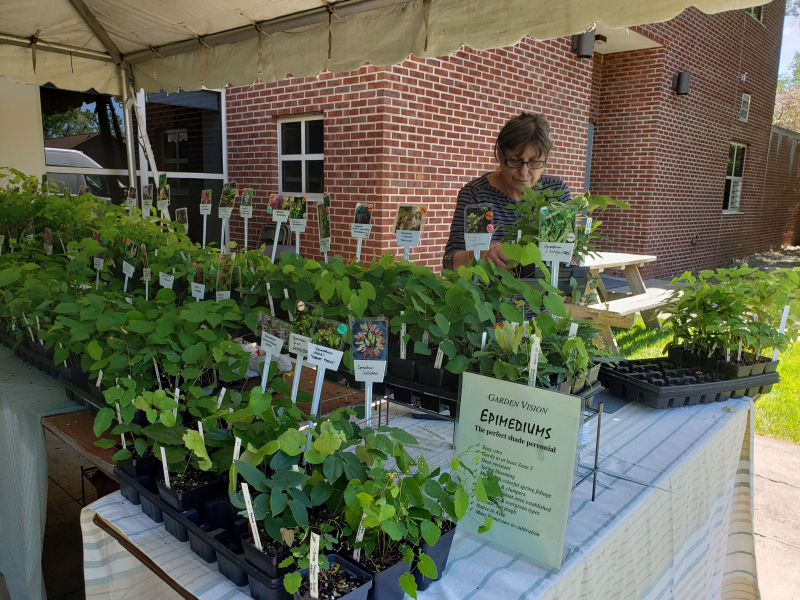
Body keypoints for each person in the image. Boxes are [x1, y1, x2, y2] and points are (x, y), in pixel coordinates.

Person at [442, 112, 571, 272]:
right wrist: (480, 255)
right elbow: (450, 261)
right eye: (515, 160)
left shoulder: (555, 192)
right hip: (488, 287)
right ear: (500, 155)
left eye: (534, 162)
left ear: (545, 160)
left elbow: (569, 258)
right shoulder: (478, 195)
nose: (524, 172)